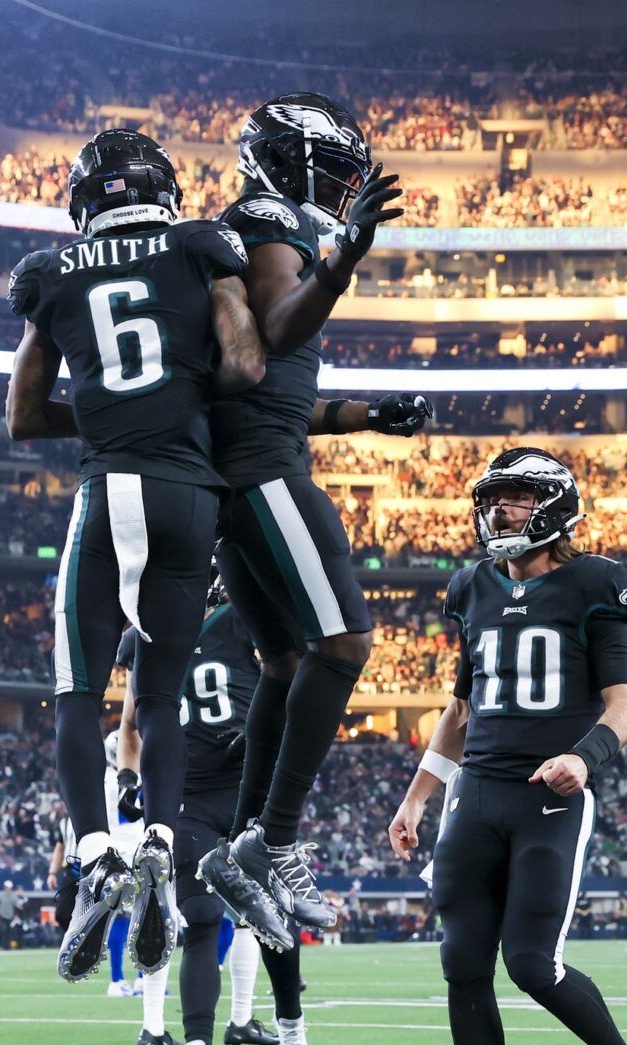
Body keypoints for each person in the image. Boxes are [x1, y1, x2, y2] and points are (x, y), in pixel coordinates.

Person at [6, 127, 266, 984]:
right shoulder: (198, 245)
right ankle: (158, 836)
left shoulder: (53, 273)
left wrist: (119, 416)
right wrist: (174, 406)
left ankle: (97, 857)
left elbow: (22, 415)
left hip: (112, 484)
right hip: (193, 497)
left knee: (78, 690)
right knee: (158, 697)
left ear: (85, 200)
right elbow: (244, 364)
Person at [388, 448, 627, 1045]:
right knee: (461, 963)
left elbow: (625, 699)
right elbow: (461, 708)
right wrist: (419, 795)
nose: (500, 511)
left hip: (550, 793)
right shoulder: (471, 588)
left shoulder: (596, 583)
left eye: (515, 498)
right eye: (495, 499)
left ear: (554, 508)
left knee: (532, 963)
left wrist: (586, 756)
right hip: (477, 792)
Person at [198, 93, 426, 942]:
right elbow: (281, 336)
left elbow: (271, 389)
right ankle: (276, 839)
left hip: (249, 463)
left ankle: (240, 839)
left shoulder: (257, 226)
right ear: (287, 161)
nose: (339, 190)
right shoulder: (264, 216)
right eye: (330, 173)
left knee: (287, 664)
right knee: (346, 645)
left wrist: (365, 415)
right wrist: (342, 259)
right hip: (261, 475)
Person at [121, 576, 302, 1045]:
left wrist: (268, 736)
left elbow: (294, 683)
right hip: (189, 799)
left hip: (253, 790)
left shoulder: (241, 619)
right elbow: (132, 723)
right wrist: (128, 777)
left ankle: (289, 1020)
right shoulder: (143, 637)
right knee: (201, 920)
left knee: (272, 918)